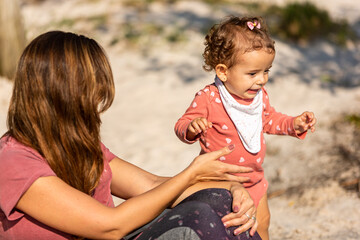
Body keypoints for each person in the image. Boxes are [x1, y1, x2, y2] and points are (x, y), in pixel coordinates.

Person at [0, 31, 262, 240]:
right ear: (62, 93)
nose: (97, 101)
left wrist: (230, 188)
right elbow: (110, 226)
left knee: (217, 201)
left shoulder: (72, 143)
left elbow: (150, 184)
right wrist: (190, 173)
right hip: (112, 231)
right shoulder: (14, 163)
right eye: (91, 90)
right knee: (199, 218)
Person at [174, 16, 317, 240]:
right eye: (253, 74)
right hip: (219, 182)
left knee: (262, 223)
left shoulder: (259, 96)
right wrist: (192, 127)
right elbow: (181, 125)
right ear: (223, 71)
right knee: (231, 228)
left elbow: (270, 120)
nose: (262, 80)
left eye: (266, 71)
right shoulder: (209, 98)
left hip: (255, 180)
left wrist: (293, 124)